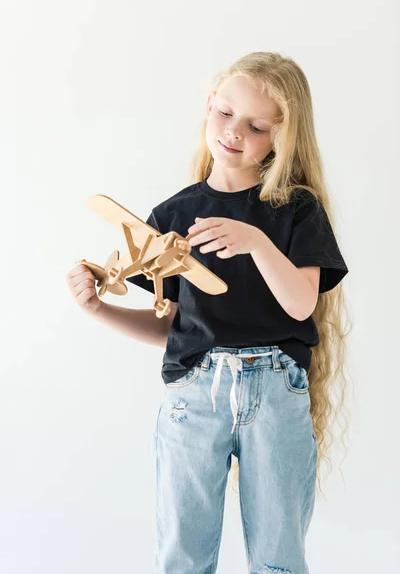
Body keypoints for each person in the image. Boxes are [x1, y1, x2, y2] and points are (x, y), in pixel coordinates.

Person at [66, 51, 350, 574]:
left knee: (278, 557)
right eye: (224, 113)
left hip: (275, 389)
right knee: (183, 554)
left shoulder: (297, 208)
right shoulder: (172, 216)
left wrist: (258, 243)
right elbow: (172, 324)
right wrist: (98, 309)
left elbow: (301, 303)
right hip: (194, 392)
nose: (234, 132)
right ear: (208, 106)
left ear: (282, 137)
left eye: (256, 125)